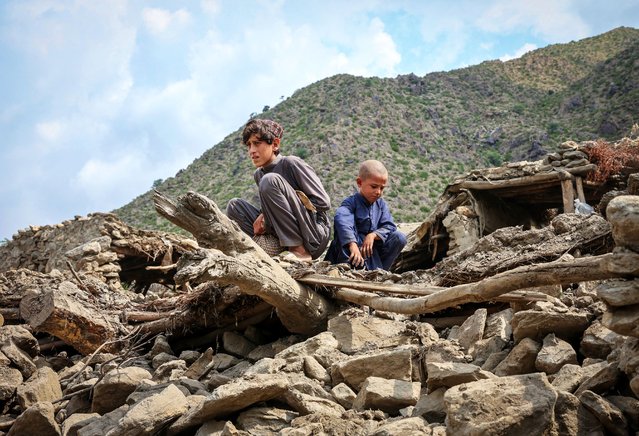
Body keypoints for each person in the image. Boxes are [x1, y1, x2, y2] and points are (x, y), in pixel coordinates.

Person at [226, 119, 331, 261]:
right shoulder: (259, 174)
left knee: (270, 180)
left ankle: (300, 252)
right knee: (234, 206)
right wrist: (265, 215)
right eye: (249, 145)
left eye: (257, 143)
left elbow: (323, 202)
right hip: (283, 233)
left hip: (313, 235)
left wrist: (274, 210)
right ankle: (259, 252)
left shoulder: (291, 164)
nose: (252, 150)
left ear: (275, 144)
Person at [324, 159, 406, 270]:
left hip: (372, 253)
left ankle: (379, 271)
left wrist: (373, 235)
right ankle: (348, 271)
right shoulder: (350, 203)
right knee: (346, 233)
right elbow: (341, 219)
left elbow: (389, 226)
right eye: (374, 186)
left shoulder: (381, 205)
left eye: (382, 188)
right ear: (359, 182)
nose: (378, 192)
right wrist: (352, 245)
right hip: (351, 255)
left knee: (399, 237)